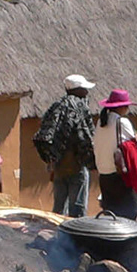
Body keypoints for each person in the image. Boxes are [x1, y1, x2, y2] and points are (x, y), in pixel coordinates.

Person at [34, 74, 95, 218]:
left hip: (59, 167)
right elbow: (86, 137)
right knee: (77, 210)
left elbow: (45, 135)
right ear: (77, 90)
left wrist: (51, 159)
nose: (87, 92)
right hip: (77, 165)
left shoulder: (56, 108)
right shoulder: (80, 107)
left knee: (58, 209)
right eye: (84, 89)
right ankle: (75, 238)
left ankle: (56, 236)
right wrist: (90, 159)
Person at [95, 89, 137, 219]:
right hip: (120, 176)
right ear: (122, 107)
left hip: (104, 176)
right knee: (130, 215)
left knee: (112, 216)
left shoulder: (100, 123)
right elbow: (134, 143)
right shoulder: (122, 122)